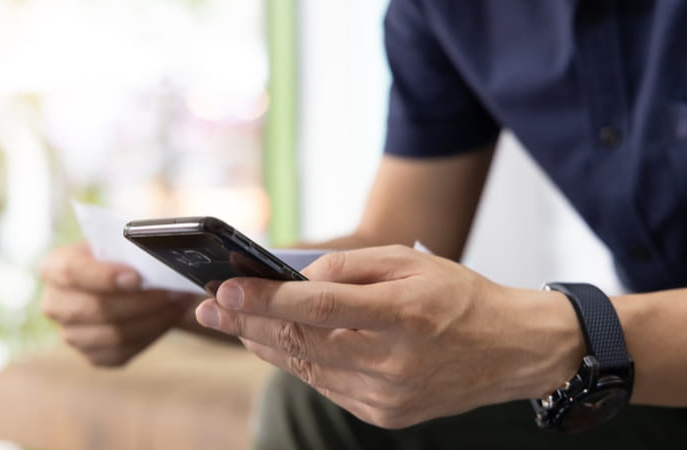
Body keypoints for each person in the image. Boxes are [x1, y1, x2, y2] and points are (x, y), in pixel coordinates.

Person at [41, 1, 687, 448]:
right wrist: (174, 290)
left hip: (648, 368)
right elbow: (395, 239)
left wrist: (553, 338)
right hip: (651, 390)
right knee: (325, 409)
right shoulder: (440, 14)